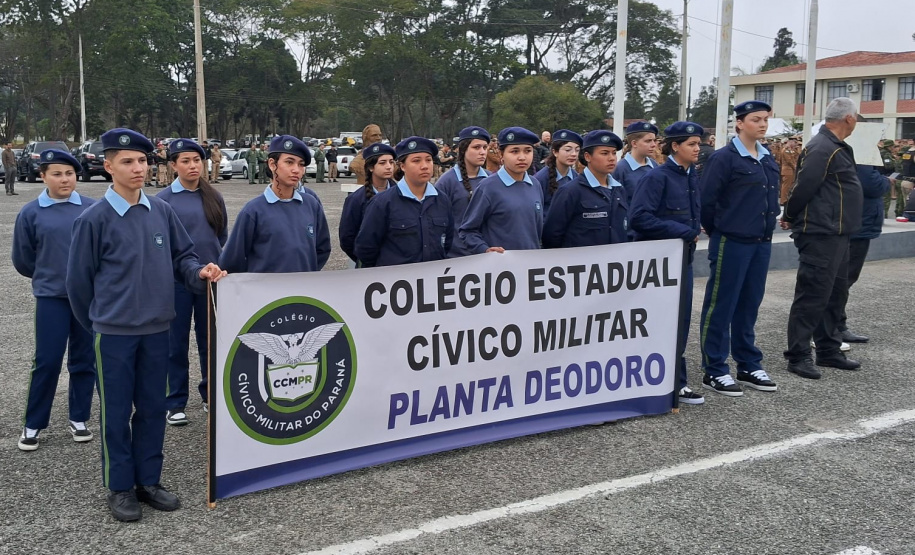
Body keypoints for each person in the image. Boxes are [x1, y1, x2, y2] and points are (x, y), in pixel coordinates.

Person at [66, 128, 226, 522]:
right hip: (115, 333)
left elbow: (183, 257)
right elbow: (78, 283)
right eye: (127, 162)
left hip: (158, 329)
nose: (137, 168)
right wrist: (99, 323)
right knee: (117, 413)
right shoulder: (94, 219)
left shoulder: (162, 211)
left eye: (141, 161)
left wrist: (199, 272)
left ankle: (148, 481)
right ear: (108, 167)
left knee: (153, 409)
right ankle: (120, 486)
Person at [12, 149, 96, 451]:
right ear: (43, 176)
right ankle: (33, 423)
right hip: (52, 298)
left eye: (70, 173)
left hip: (86, 299)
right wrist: (49, 276)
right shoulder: (31, 213)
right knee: (47, 361)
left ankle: (80, 417)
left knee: (85, 361)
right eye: (57, 173)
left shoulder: (92, 208)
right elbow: (23, 259)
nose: (64, 179)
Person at [697, 101, 781, 397]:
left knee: (749, 304)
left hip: (761, 242)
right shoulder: (725, 158)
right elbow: (707, 201)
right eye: (755, 119)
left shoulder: (768, 157)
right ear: (740, 124)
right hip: (732, 241)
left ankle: (748, 363)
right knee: (722, 305)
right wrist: (719, 228)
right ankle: (715, 368)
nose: (762, 124)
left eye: (765, 119)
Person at [781, 97, 864, 379]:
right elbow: (804, 186)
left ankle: (828, 350)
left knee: (834, 294)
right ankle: (798, 355)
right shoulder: (822, 147)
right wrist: (790, 214)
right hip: (820, 232)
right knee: (813, 295)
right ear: (849, 119)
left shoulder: (834, 146)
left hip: (837, 232)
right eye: (856, 119)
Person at [629, 121, 705, 406]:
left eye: (698, 144)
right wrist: (684, 231)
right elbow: (639, 218)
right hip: (658, 263)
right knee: (656, 321)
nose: (698, 149)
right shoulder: (658, 177)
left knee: (681, 320)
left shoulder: (689, 176)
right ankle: (655, 380)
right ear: (675, 146)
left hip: (682, 258)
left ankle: (677, 381)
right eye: (692, 144)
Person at [157, 139, 228, 425]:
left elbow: (220, 237)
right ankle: (175, 401)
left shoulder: (213, 196)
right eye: (185, 161)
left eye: (197, 160)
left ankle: (210, 395)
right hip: (175, 282)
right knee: (175, 343)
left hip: (210, 281)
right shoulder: (163, 200)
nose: (192, 166)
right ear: (173, 165)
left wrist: (210, 266)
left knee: (209, 340)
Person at [219, 135, 330, 273]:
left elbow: (322, 249)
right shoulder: (253, 211)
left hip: (302, 291)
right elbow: (232, 260)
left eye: (301, 164)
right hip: (266, 293)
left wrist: (304, 273)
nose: (296, 169)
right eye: (289, 162)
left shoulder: (311, 205)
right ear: (272, 164)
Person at [354, 137, 453, 267]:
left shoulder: (442, 200)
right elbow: (365, 249)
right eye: (416, 161)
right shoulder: (383, 203)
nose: (424, 166)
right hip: (395, 283)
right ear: (402, 166)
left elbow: (447, 243)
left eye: (428, 160)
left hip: (431, 280)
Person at [459, 127, 544, 254]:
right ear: (501, 154)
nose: (522, 157)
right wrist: (484, 249)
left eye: (528, 151)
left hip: (530, 267)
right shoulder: (488, 187)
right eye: (514, 151)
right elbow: (468, 231)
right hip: (500, 269)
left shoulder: (535, 184)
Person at [833, 164, 891, 343]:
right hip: (857, 225)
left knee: (844, 280)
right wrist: (886, 181)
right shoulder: (862, 157)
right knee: (842, 281)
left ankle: (836, 325)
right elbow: (872, 185)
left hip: (860, 224)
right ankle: (832, 328)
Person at [542, 130, 628, 248]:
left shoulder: (618, 189)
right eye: (604, 153)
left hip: (613, 263)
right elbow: (552, 235)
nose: (612, 158)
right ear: (587, 156)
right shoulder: (571, 191)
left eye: (613, 153)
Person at [435, 126, 492, 258]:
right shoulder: (446, 182)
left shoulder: (491, 179)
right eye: (476, 147)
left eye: (485, 147)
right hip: (456, 257)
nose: (482, 152)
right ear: (462, 150)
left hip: (487, 253)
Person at [339, 143, 397, 263]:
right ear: (371, 167)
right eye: (382, 163)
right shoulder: (356, 199)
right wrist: (364, 260)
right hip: (370, 267)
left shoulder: (402, 195)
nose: (389, 167)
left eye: (391, 162)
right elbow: (347, 238)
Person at [532, 129, 582, 215]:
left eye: (577, 150)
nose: (574, 154)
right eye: (568, 150)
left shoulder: (576, 177)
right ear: (555, 152)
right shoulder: (540, 179)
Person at [613, 121, 659, 204]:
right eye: (648, 141)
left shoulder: (654, 165)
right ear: (634, 143)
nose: (653, 145)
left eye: (654, 140)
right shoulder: (620, 168)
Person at [774, 135, 801, 206]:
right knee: (786, 186)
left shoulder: (791, 150)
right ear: (790, 142)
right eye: (794, 142)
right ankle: (783, 200)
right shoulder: (786, 150)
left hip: (790, 170)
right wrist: (795, 167)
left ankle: (787, 199)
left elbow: (798, 155)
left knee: (789, 185)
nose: (796, 144)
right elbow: (789, 161)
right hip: (787, 170)